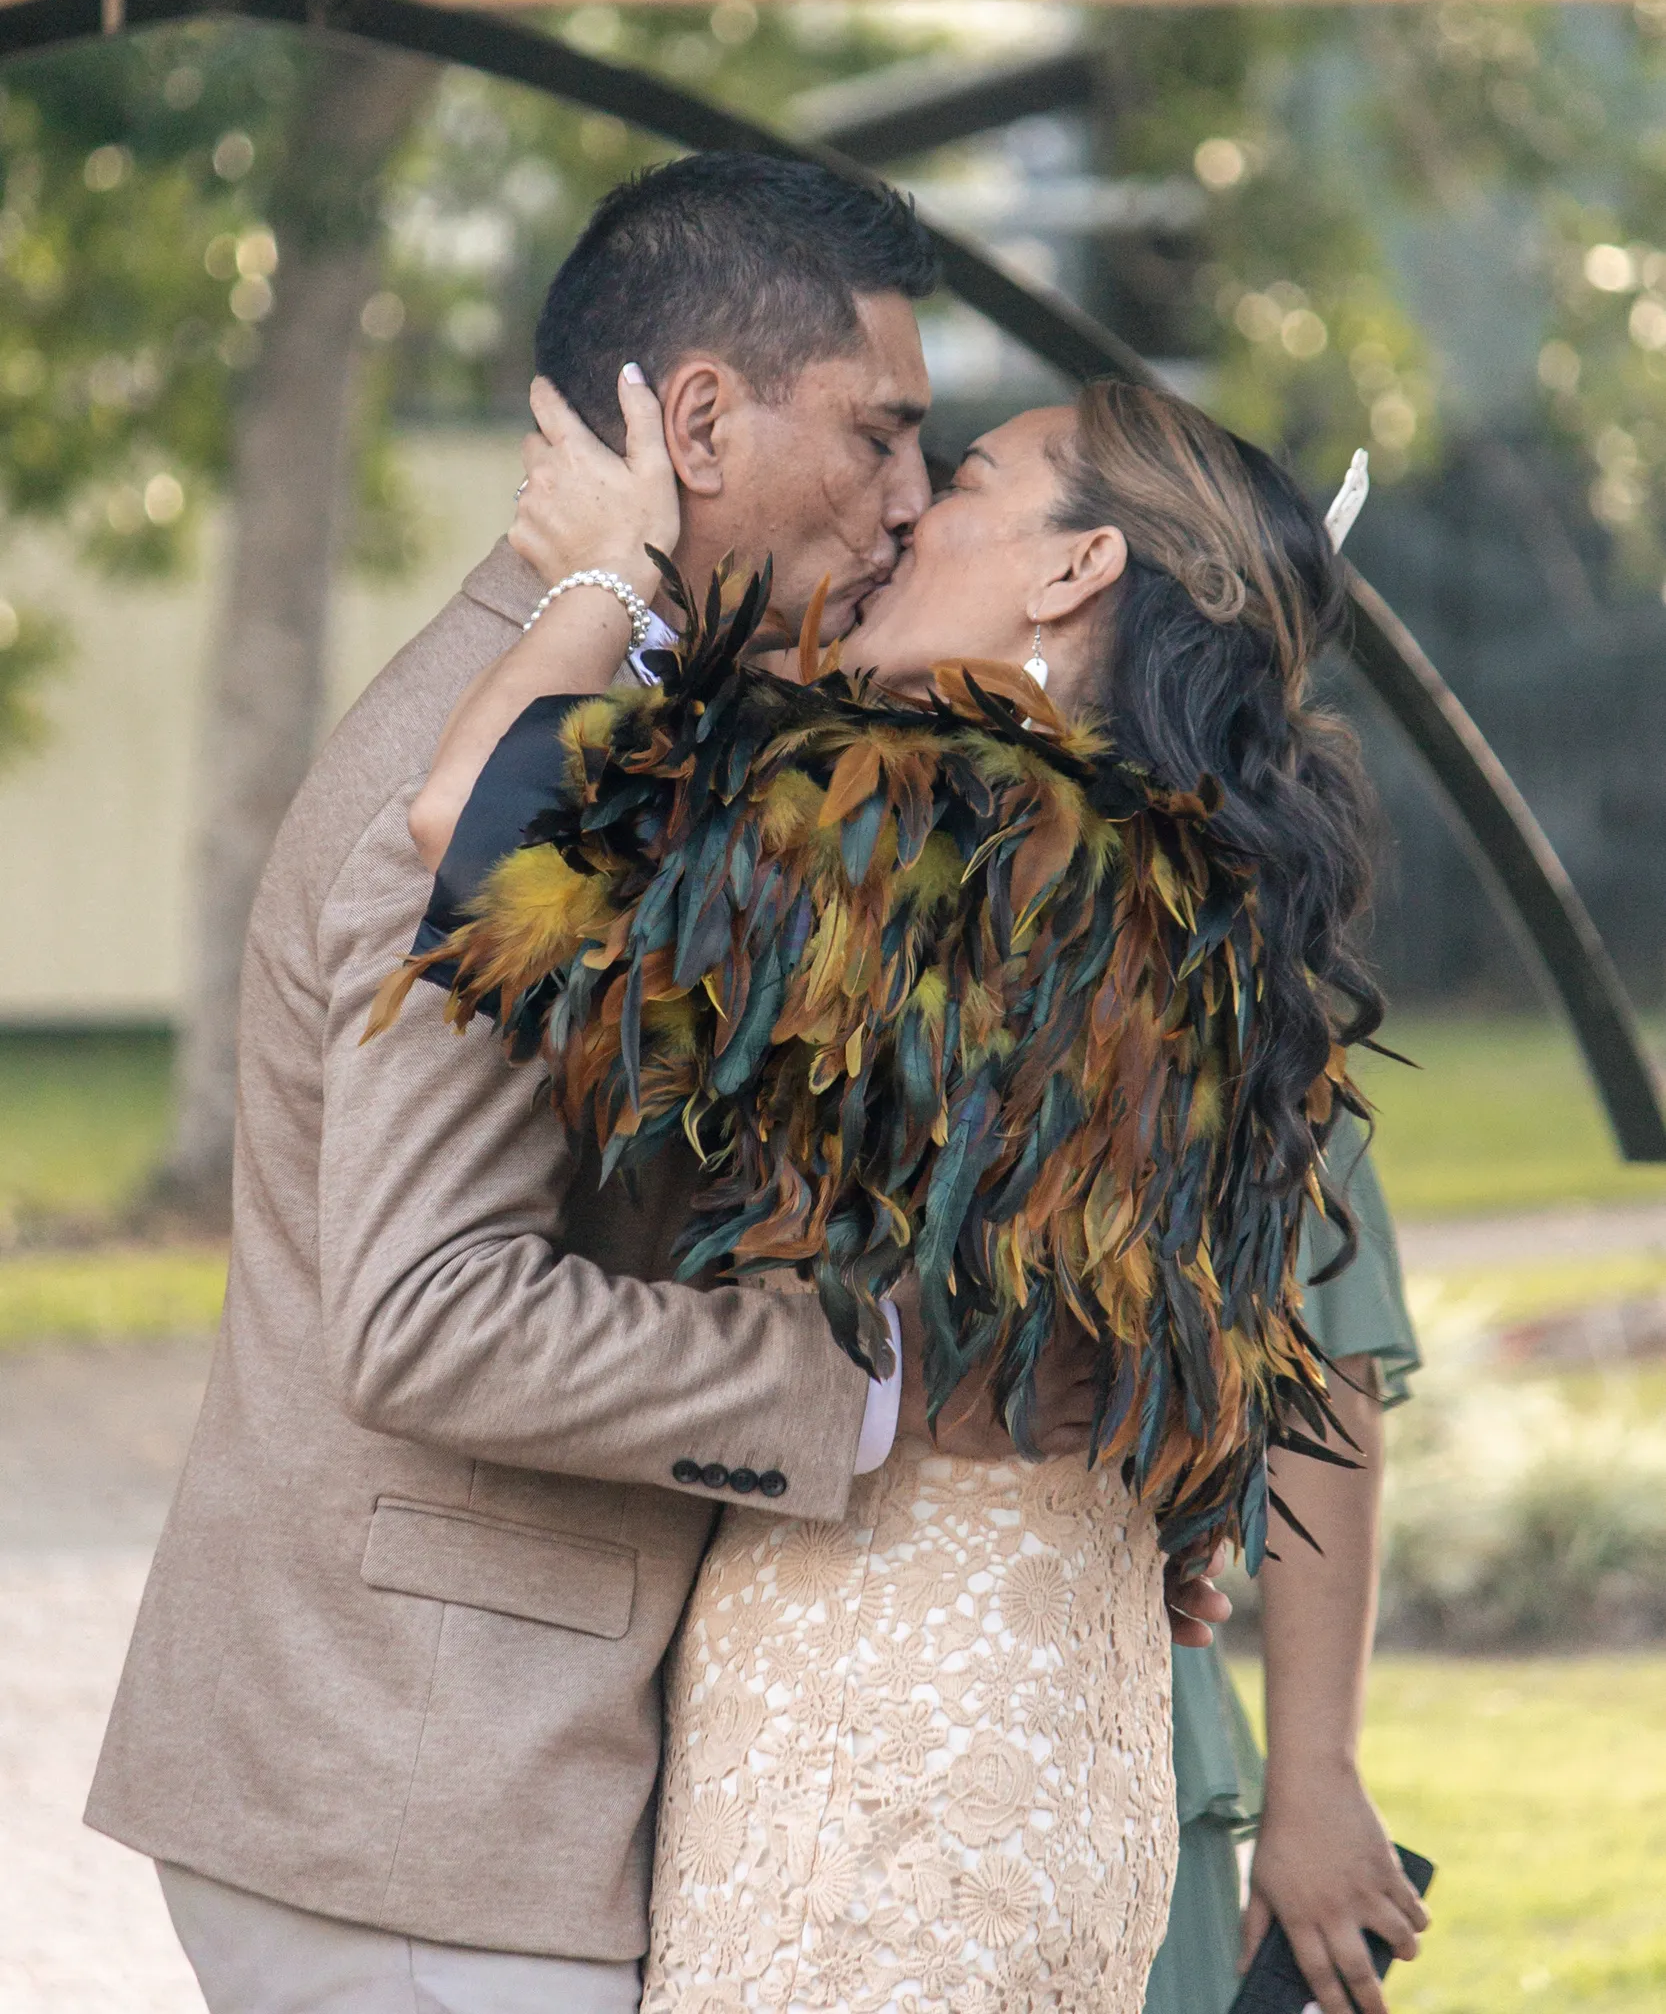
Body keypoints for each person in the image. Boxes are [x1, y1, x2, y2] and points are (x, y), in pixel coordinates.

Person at [85, 153, 1216, 2014]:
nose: (907, 499)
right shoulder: (489, 785)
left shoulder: (734, 760)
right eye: (880, 436)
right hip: (423, 1803)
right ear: (700, 420)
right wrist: (872, 1399)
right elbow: (430, 1319)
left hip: (536, 1790)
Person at [401, 347, 1428, 2013]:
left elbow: (466, 825)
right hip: (1074, 1728)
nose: (907, 519)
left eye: (967, 487)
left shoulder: (913, 837)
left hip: (876, 1732)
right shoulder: (1200, 915)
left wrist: (609, 562)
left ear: (1078, 566)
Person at [1145, 1115, 1423, 2014]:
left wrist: (1316, 1774)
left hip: (1124, 1707)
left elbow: (1313, 1407)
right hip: (765, 1701)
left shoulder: (1242, 1016)